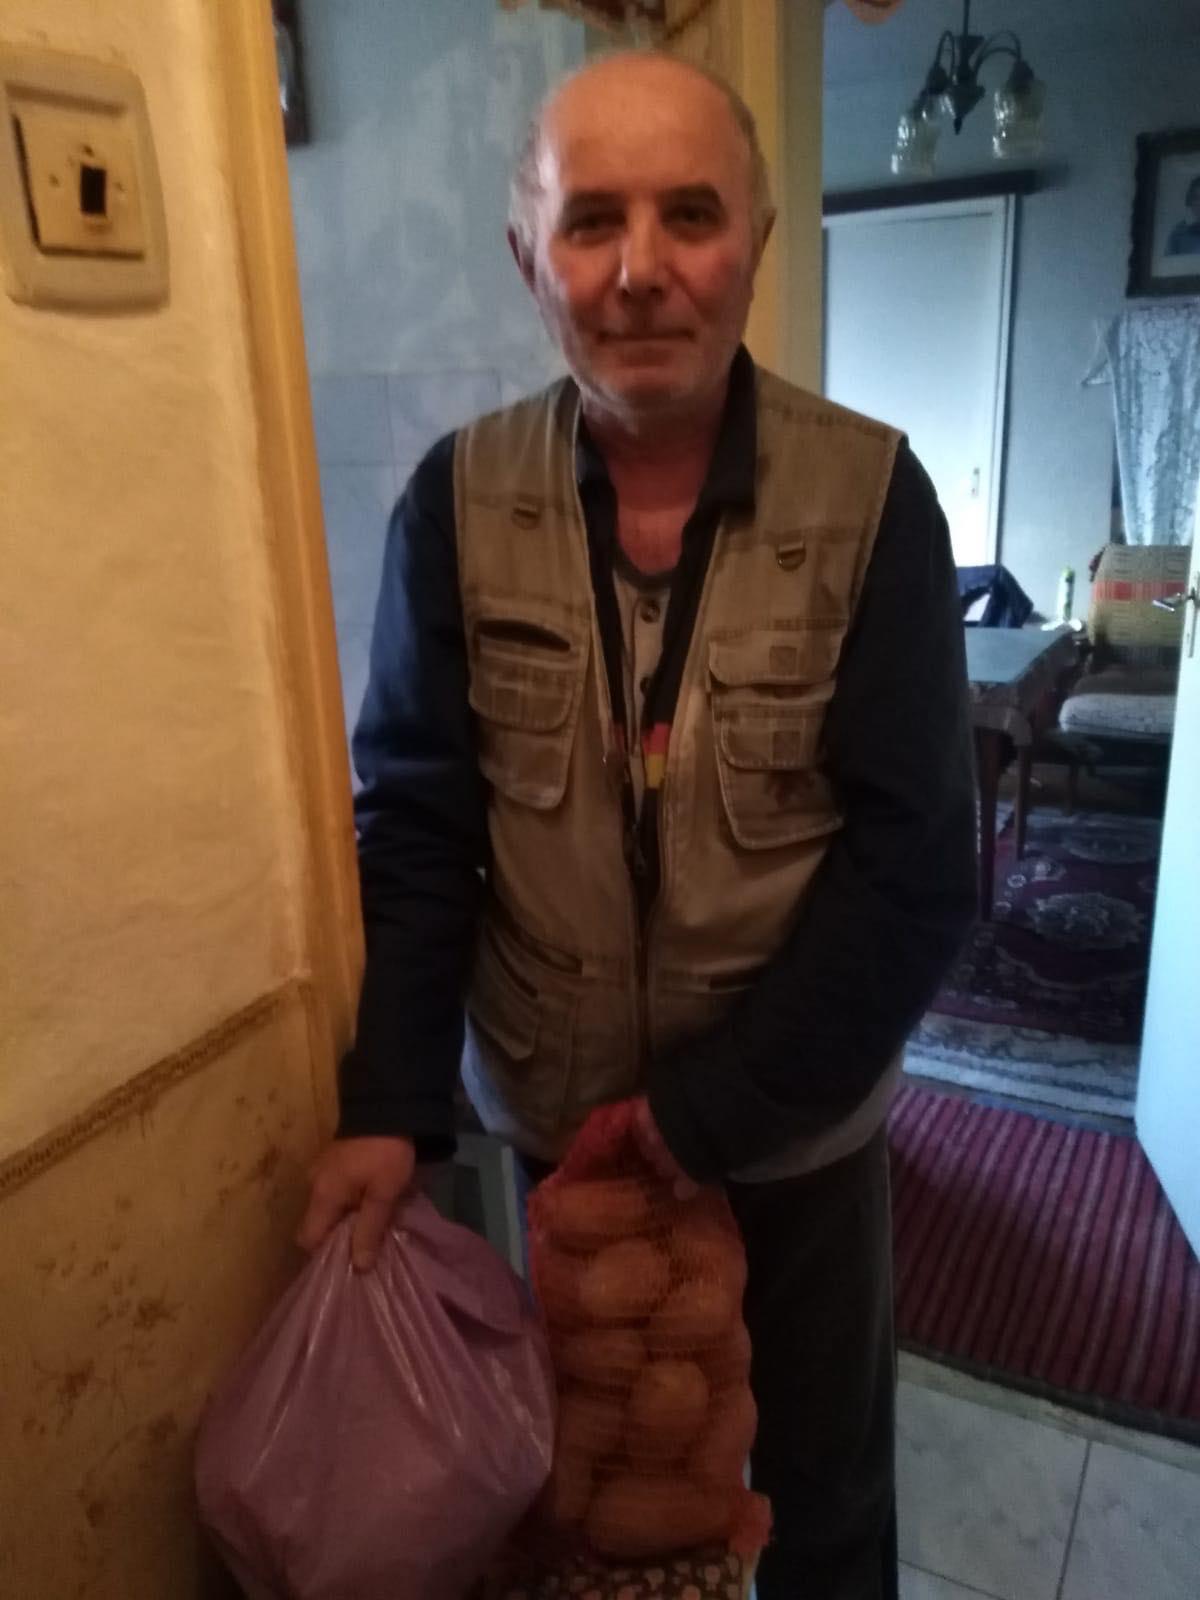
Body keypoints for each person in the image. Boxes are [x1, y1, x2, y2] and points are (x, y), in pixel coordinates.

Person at [298, 50, 977, 1600]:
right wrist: (388, 1102)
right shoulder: (454, 503)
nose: (641, 268)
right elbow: (417, 827)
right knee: (599, 1501)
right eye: (591, 220)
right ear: (527, 255)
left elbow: (918, 871)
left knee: (822, 1505)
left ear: (757, 242)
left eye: (691, 214)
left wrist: (712, 1112)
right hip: (563, 1134)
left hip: (797, 1139)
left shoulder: (876, 499)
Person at [1165, 174, 1200, 257]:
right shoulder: (1178, 235)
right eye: (1196, 198)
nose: (1199, 203)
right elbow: (1169, 263)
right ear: (1190, 201)